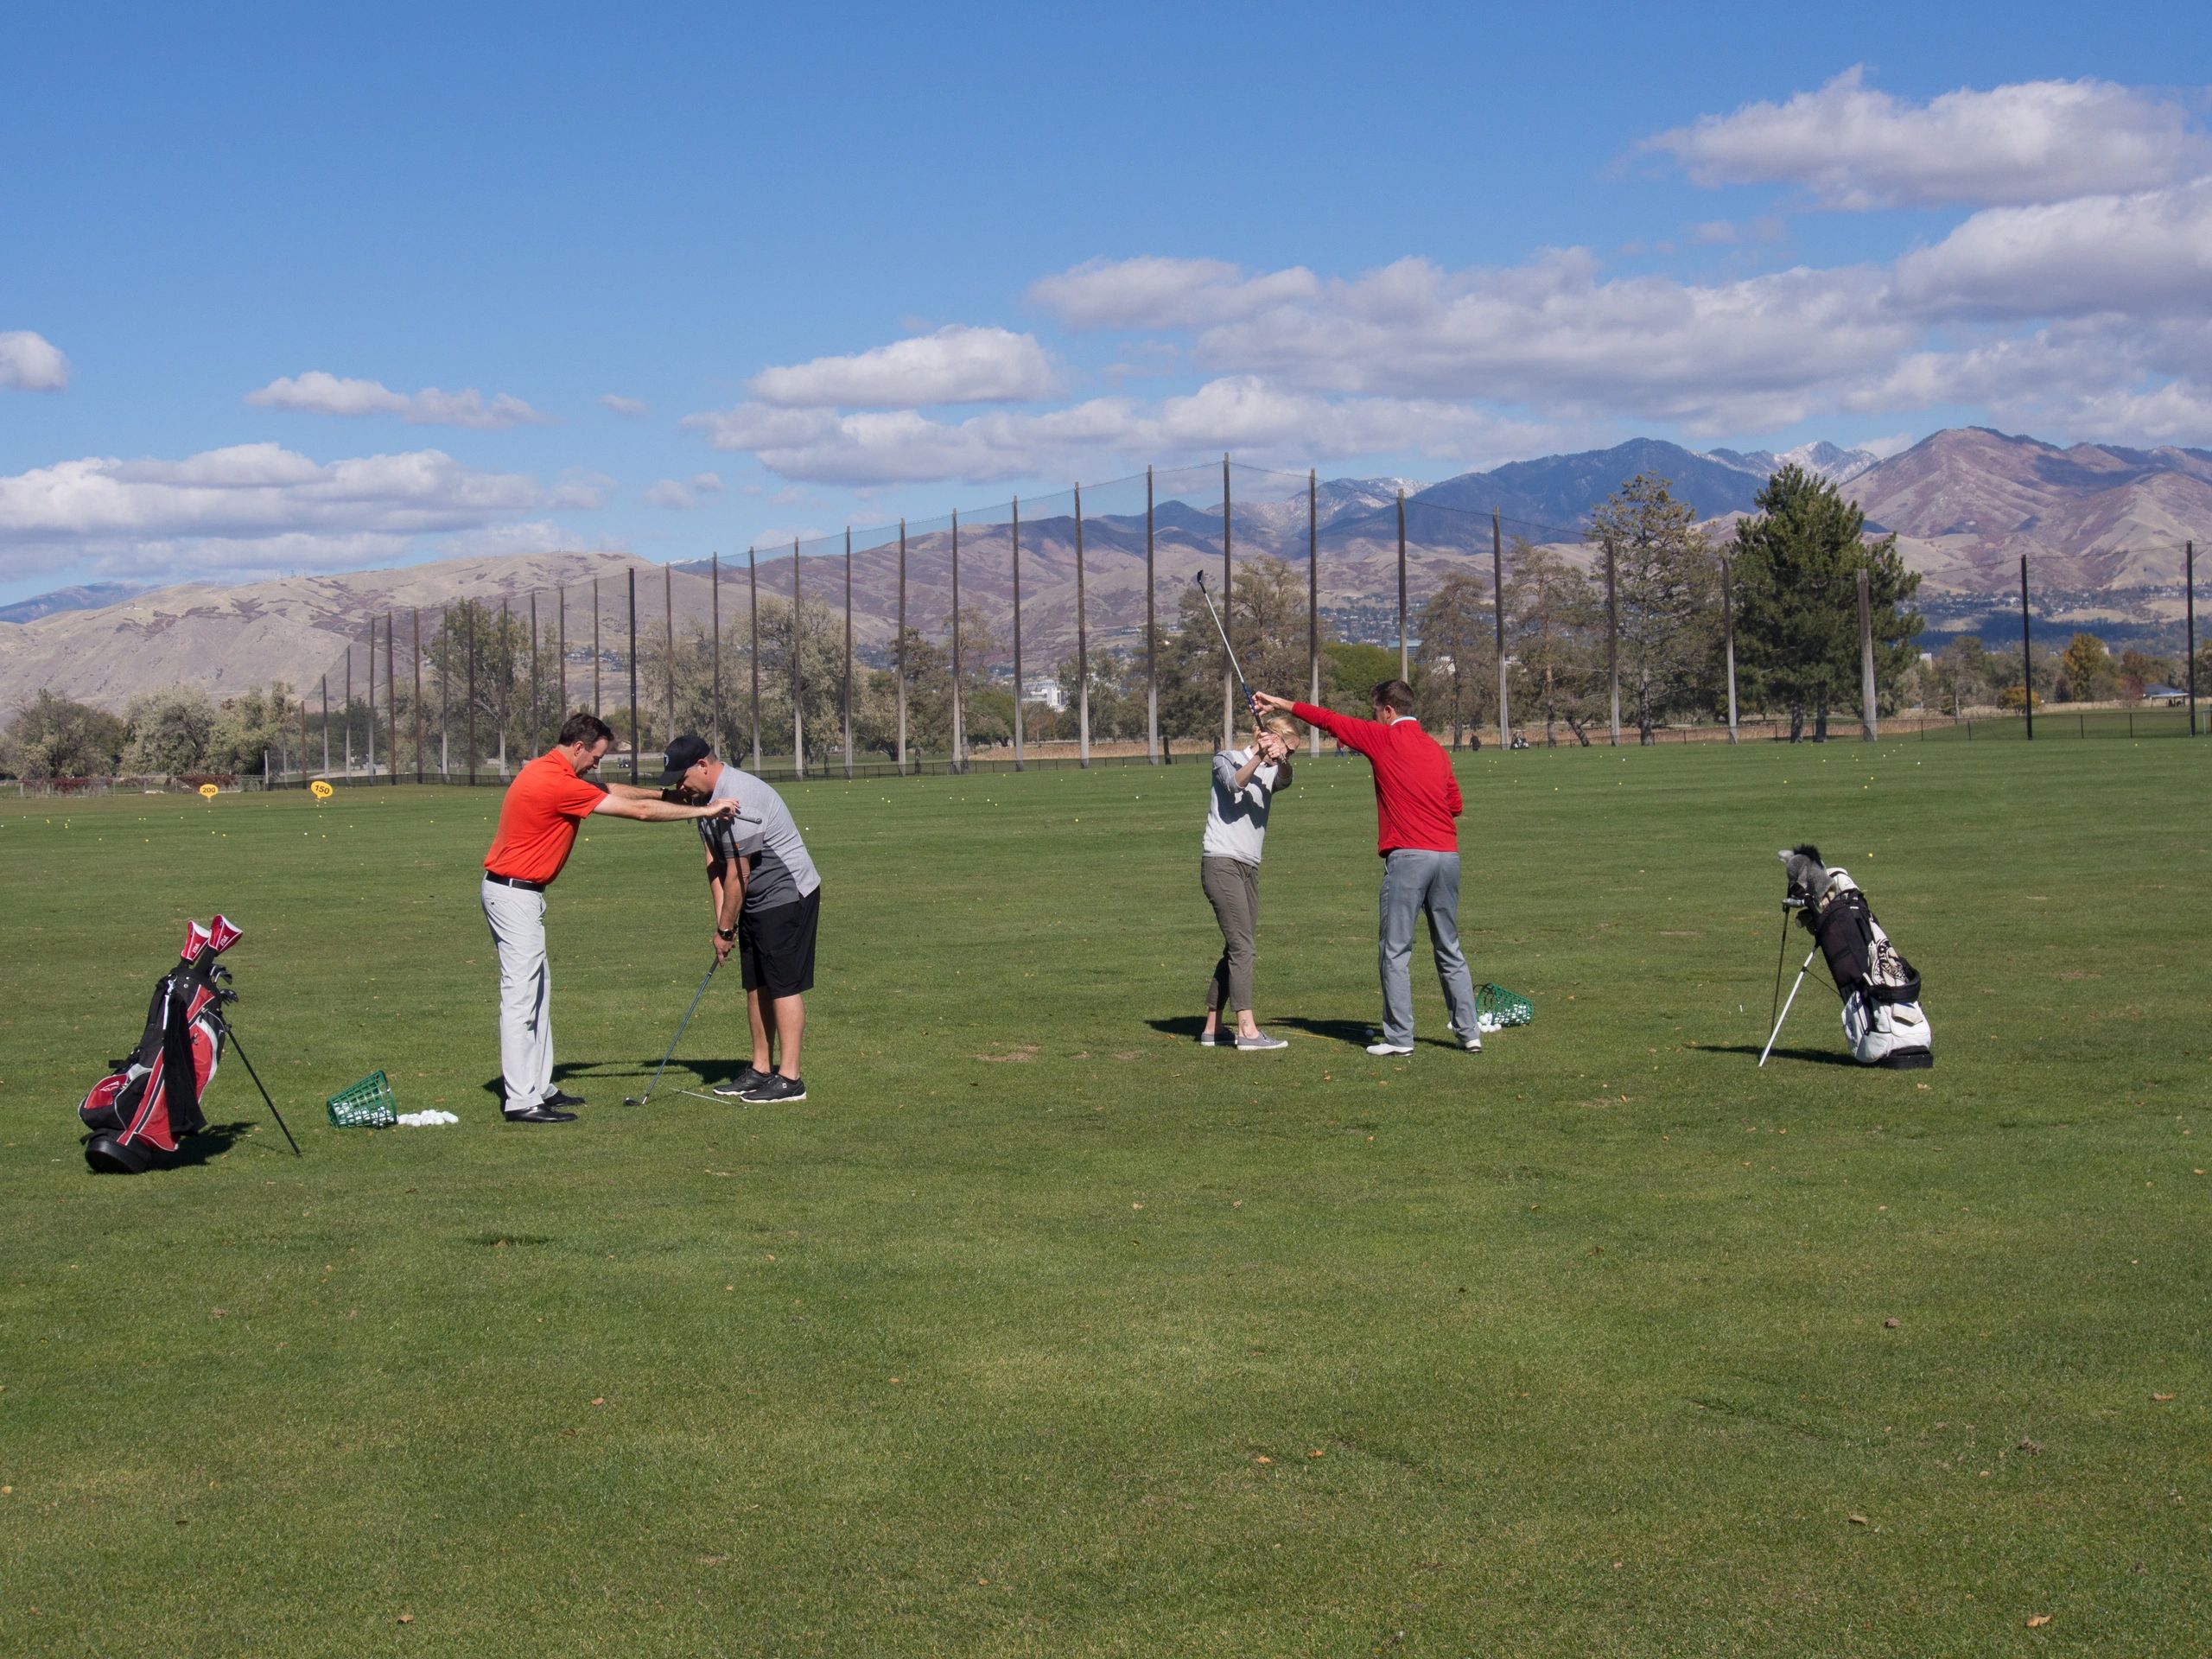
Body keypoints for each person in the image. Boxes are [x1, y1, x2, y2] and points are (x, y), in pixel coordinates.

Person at [481, 712, 736, 1122]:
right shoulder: (554, 780)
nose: (597, 765)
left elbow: (613, 789)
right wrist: (704, 812)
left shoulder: (554, 769)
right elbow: (635, 812)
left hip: (520, 894)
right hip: (513, 895)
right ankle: (521, 1101)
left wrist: (669, 797)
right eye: (596, 756)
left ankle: (539, 1087)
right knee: (520, 998)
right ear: (579, 747)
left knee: (538, 992)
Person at [1252, 680, 1479, 1056]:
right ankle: (1468, 1033)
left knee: (1395, 951)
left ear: (1388, 710)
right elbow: (1454, 804)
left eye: (1376, 710)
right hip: (1448, 857)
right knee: (1449, 947)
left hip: (1409, 857)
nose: (1374, 716)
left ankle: (1400, 1039)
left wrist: (1279, 702)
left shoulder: (1382, 737)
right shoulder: (1436, 750)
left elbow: (1328, 720)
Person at [660, 734, 821, 1104]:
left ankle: (791, 1078)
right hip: (751, 898)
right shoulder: (704, 800)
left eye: (682, 778)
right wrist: (723, 922)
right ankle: (761, 1069)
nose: (680, 788)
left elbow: (739, 873)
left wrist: (725, 928)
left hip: (786, 893)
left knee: (782, 983)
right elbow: (713, 863)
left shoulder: (739, 795)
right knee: (756, 984)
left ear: (703, 764)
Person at [1197, 715, 1298, 1050]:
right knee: (1243, 947)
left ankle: (1213, 1027)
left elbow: (1286, 779)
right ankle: (1247, 1030)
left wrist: (1281, 759)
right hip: (1221, 862)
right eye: (1286, 745)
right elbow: (1235, 784)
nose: (1287, 753)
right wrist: (1258, 755)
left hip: (1249, 868)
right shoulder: (1226, 758)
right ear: (1267, 736)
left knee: (1236, 946)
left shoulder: (1272, 771)